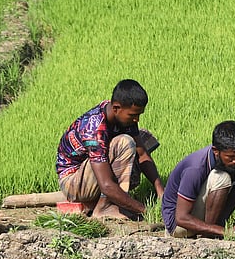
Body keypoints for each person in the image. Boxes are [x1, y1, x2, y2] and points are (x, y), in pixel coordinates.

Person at [56, 79, 164, 220]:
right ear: (116, 108)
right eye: (133, 115)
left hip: (95, 172)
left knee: (145, 139)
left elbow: (142, 154)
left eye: (139, 115)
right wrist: (144, 210)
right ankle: (104, 207)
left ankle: (112, 199)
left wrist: (161, 192)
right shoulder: (94, 129)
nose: (136, 119)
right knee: (125, 143)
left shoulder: (123, 117)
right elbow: (106, 185)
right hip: (73, 182)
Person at [162, 121, 235, 238]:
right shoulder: (195, 168)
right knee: (221, 178)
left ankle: (214, 229)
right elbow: (181, 217)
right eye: (231, 157)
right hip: (178, 225)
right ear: (216, 151)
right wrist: (224, 231)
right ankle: (210, 234)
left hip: (196, 218)